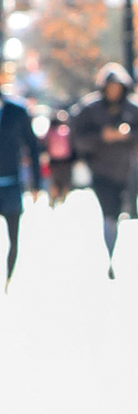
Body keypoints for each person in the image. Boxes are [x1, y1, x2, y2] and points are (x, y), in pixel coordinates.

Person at [70, 63, 138, 277]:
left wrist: (127, 136)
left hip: (124, 168)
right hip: (100, 169)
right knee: (108, 213)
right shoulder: (90, 109)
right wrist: (101, 137)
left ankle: (114, 247)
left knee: (119, 210)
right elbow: (78, 138)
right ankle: (108, 251)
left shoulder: (132, 109)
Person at [0, 89, 42, 290]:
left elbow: (32, 146)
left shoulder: (16, 111)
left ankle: (8, 280)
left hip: (12, 184)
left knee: (13, 238)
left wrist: (36, 184)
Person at [43, 107, 74, 203]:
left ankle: (53, 198)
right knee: (65, 180)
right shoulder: (66, 130)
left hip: (53, 160)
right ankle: (64, 199)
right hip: (66, 160)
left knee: (54, 181)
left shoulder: (50, 131)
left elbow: (45, 144)